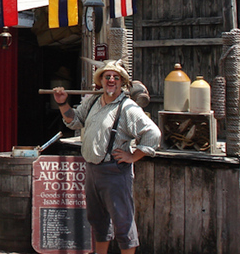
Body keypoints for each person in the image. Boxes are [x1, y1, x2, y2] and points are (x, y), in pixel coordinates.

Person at [52, 59, 160, 254]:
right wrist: (62, 103)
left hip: (115, 172)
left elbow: (153, 133)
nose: (111, 80)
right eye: (107, 76)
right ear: (100, 81)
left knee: (123, 223)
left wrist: (133, 156)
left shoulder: (128, 108)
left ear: (121, 82)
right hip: (92, 171)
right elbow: (74, 121)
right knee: (98, 222)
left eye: (115, 77)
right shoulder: (92, 101)